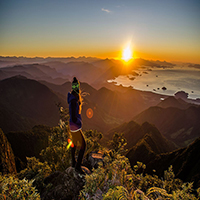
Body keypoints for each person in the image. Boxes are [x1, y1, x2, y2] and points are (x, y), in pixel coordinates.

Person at [67, 77, 86, 174]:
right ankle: (77, 166)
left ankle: (74, 163)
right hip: (75, 126)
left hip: (72, 126)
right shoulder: (74, 100)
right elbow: (73, 115)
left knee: (74, 144)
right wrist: (77, 122)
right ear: (77, 88)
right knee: (83, 145)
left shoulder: (72, 99)